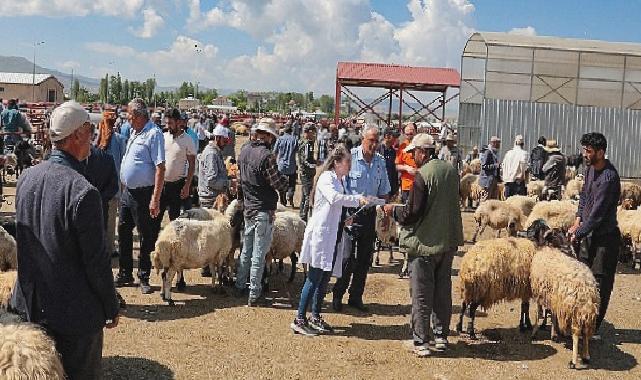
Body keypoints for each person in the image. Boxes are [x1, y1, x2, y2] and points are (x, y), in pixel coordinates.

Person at [11, 101, 120, 378]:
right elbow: (96, 261)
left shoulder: (26, 178)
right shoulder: (83, 191)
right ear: (76, 136)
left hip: (31, 308)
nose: (94, 138)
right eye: (90, 131)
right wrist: (110, 306)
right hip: (74, 316)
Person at [383, 133, 463, 356]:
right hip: (447, 243)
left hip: (424, 244)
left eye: (414, 153)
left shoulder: (422, 175)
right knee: (442, 292)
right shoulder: (450, 172)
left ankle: (420, 341)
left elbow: (412, 213)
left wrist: (394, 210)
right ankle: (441, 337)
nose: (412, 158)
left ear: (423, 152)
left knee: (421, 294)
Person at [292, 145, 373, 336]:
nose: (349, 166)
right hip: (322, 235)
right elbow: (334, 198)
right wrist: (357, 199)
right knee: (314, 277)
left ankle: (316, 316)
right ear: (337, 163)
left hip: (334, 233)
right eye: (347, 162)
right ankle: (299, 318)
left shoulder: (339, 179)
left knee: (324, 278)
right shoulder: (327, 178)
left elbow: (336, 206)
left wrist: (345, 218)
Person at [332, 126, 390, 312]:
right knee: (347, 258)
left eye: (376, 140)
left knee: (365, 259)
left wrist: (385, 212)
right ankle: (338, 294)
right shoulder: (351, 158)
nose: (373, 144)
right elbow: (340, 185)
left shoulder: (380, 162)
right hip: (351, 214)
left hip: (370, 215)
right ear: (362, 139)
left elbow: (385, 191)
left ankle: (356, 296)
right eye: (370, 140)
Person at [568, 132, 621, 338]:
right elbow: (585, 197)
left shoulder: (609, 178)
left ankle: (592, 328)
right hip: (589, 233)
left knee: (599, 283)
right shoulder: (590, 170)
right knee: (583, 277)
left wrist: (579, 231)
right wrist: (577, 220)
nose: (585, 154)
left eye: (589, 151)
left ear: (601, 152)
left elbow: (598, 214)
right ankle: (580, 321)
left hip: (605, 238)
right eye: (584, 150)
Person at [233, 118, 289, 306]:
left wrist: (241, 202)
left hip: (249, 207)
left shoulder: (244, 151)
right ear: (267, 136)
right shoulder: (267, 156)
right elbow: (276, 182)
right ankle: (254, 293)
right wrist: (286, 182)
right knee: (259, 252)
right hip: (263, 209)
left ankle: (240, 285)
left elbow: (240, 182)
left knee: (246, 250)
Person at [115, 98, 166, 294]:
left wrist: (155, 198)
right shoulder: (134, 132)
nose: (127, 118)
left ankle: (143, 275)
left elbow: (160, 167)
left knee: (146, 235)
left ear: (138, 116)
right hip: (128, 192)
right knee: (124, 231)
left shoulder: (154, 134)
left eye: (129, 115)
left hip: (144, 193)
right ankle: (125, 272)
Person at [95, 112, 127, 257]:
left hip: (98, 186)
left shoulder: (96, 141)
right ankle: (110, 248)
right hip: (114, 186)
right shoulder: (120, 140)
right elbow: (123, 164)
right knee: (111, 219)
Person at [158, 108, 196, 222]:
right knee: (155, 220)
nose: (168, 126)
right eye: (166, 123)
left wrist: (187, 186)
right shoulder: (163, 137)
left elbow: (192, 164)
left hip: (176, 187)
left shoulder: (188, 140)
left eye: (170, 123)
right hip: (161, 185)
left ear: (178, 122)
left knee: (174, 220)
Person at [198, 124, 231, 208]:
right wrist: (228, 183)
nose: (226, 144)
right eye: (225, 141)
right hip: (210, 199)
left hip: (212, 196)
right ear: (217, 138)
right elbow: (212, 180)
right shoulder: (211, 154)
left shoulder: (215, 151)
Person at [273, 124, 299, 207]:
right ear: (291, 131)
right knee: (292, 183)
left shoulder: (280, 139)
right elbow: (297, 150)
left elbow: (275, 151)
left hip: (281, 165)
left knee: (281, 184)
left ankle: (283, 201)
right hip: (291, 165)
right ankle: (290, 196)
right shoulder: (294, 139)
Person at [298, 123, 317, 221]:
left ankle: (302, 213)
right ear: (308, 132)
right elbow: (305, 160)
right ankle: (303, 217)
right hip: (306, 173)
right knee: (307, 196)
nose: (314, 134)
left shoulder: (307, 143)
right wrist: (314, 165)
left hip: (307, 172)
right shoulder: (306, 144)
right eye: (312, 132)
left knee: (305, 194)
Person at [396, 123, 417, 203]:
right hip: (407, 186)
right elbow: (397, 166)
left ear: (416, 132)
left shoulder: (421, 145)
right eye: (406, 134)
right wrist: (406, 168)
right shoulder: (402, 147)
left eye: (411, 134)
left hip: (420, 184)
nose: (409, 136)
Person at [378, 128, 399, 199]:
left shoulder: (393, 151)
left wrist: (395, 189)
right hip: (378, 187)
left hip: (389, 188)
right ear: (387, 136)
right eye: (394, 137)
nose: (396, 139)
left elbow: (394, 171)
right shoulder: (377, 149)